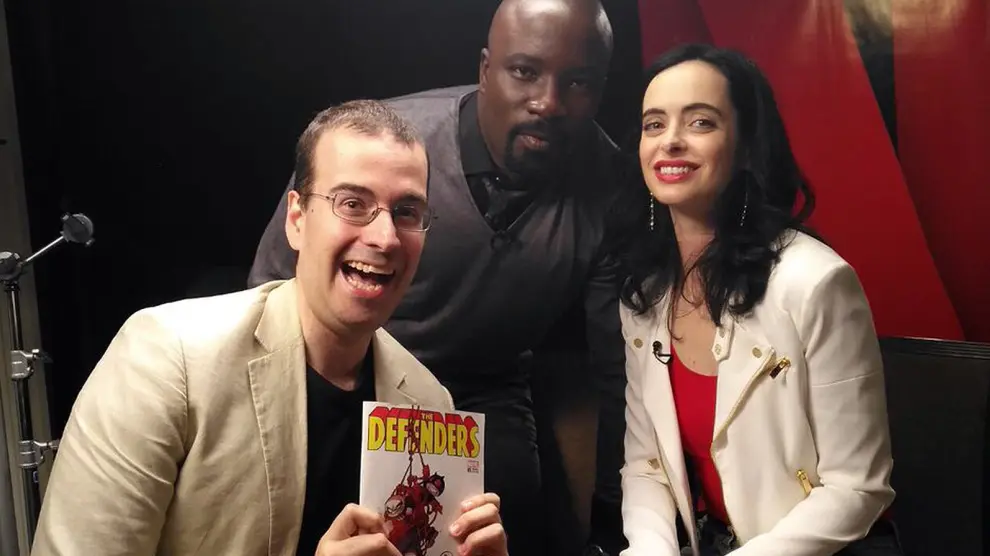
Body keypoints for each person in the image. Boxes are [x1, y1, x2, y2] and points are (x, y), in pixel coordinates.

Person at [31, 100, 508, 556]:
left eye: (406, 212)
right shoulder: (165, 358)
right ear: (296, 219)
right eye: (352, 203)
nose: (384, 238)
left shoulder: (429, 402)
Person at [247, 1, 627, 554]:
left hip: (483, 390)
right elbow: (269, 285)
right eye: (525, 71)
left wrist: (615, 523)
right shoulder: (387, 149)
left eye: (578, 82)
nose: (548, 101)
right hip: (353, 367)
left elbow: (615, 363)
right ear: (485, 69)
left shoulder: (610, 186)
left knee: (508, 532)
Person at [609, 44, 902, 555]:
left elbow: (858, 487)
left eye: (700, 122)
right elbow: (646, 468)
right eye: (654, 124)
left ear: (746, 147)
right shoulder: (645, 295)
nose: (670, 140)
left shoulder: (816, 283)